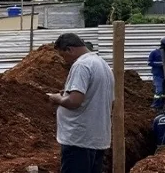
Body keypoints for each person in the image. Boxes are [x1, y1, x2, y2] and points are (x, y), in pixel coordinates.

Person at [46, 33, 114, 173]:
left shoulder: (81, 65)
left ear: (70, 49)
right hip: (96, 138)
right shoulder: (103, 65)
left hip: (79, 140)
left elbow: (74, 101)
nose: (65, 61)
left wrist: (57, 98)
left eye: (64, 56)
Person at [148, 38, 165, 110]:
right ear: (162, 44)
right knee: (159, 90)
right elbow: (150, 63)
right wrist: (161, 64)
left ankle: (161, 106)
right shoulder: (154, 53)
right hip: (158, 74)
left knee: (164, 92)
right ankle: (155, 106)